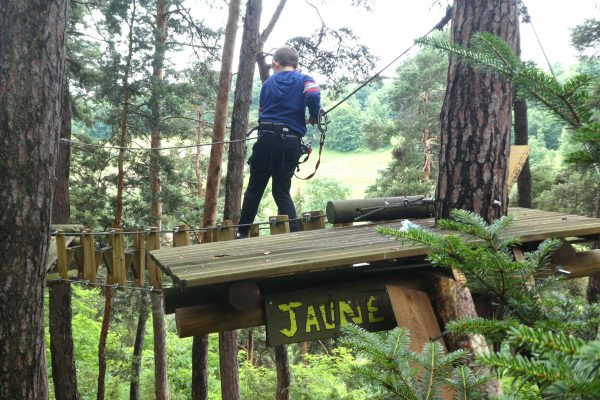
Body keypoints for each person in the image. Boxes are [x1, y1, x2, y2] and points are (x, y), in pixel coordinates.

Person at [237, 46, 321, 238]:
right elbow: (314, 95)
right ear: (296, 64)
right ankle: (294, 235)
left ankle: (241, 233)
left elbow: (261, 112)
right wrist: (314, 115)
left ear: (275, 64)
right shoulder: (305, 80)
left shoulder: (268, 83)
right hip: (290, 141)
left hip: (266, 139)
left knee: (254, 189)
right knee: (281, 191)